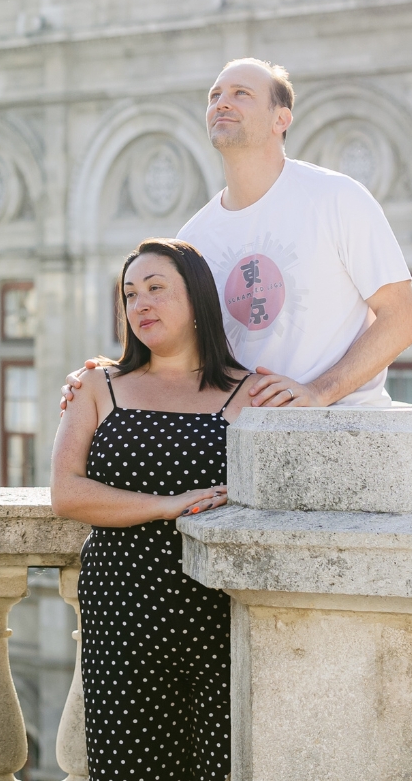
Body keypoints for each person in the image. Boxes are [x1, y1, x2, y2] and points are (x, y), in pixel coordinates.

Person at [65, 58, 412, 410]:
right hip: (236, 437)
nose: (221, 102)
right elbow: (179, 348)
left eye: (241, 93)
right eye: (214, 95)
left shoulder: (337, 198)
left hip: (339, 429)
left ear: (280, 119)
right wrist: (100, 379)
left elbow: (402, 319)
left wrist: (318, 392)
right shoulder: (194, 236)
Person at [52, 238, 250, 781]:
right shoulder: (98, 385)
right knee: (130, 768)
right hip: (123, 607)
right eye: (130, 292)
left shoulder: (250, 393)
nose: (140, 303)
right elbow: (67, 493)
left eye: (157, 289)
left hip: (220, 610)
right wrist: (167, 506)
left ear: (198, 301)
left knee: (225, 766)